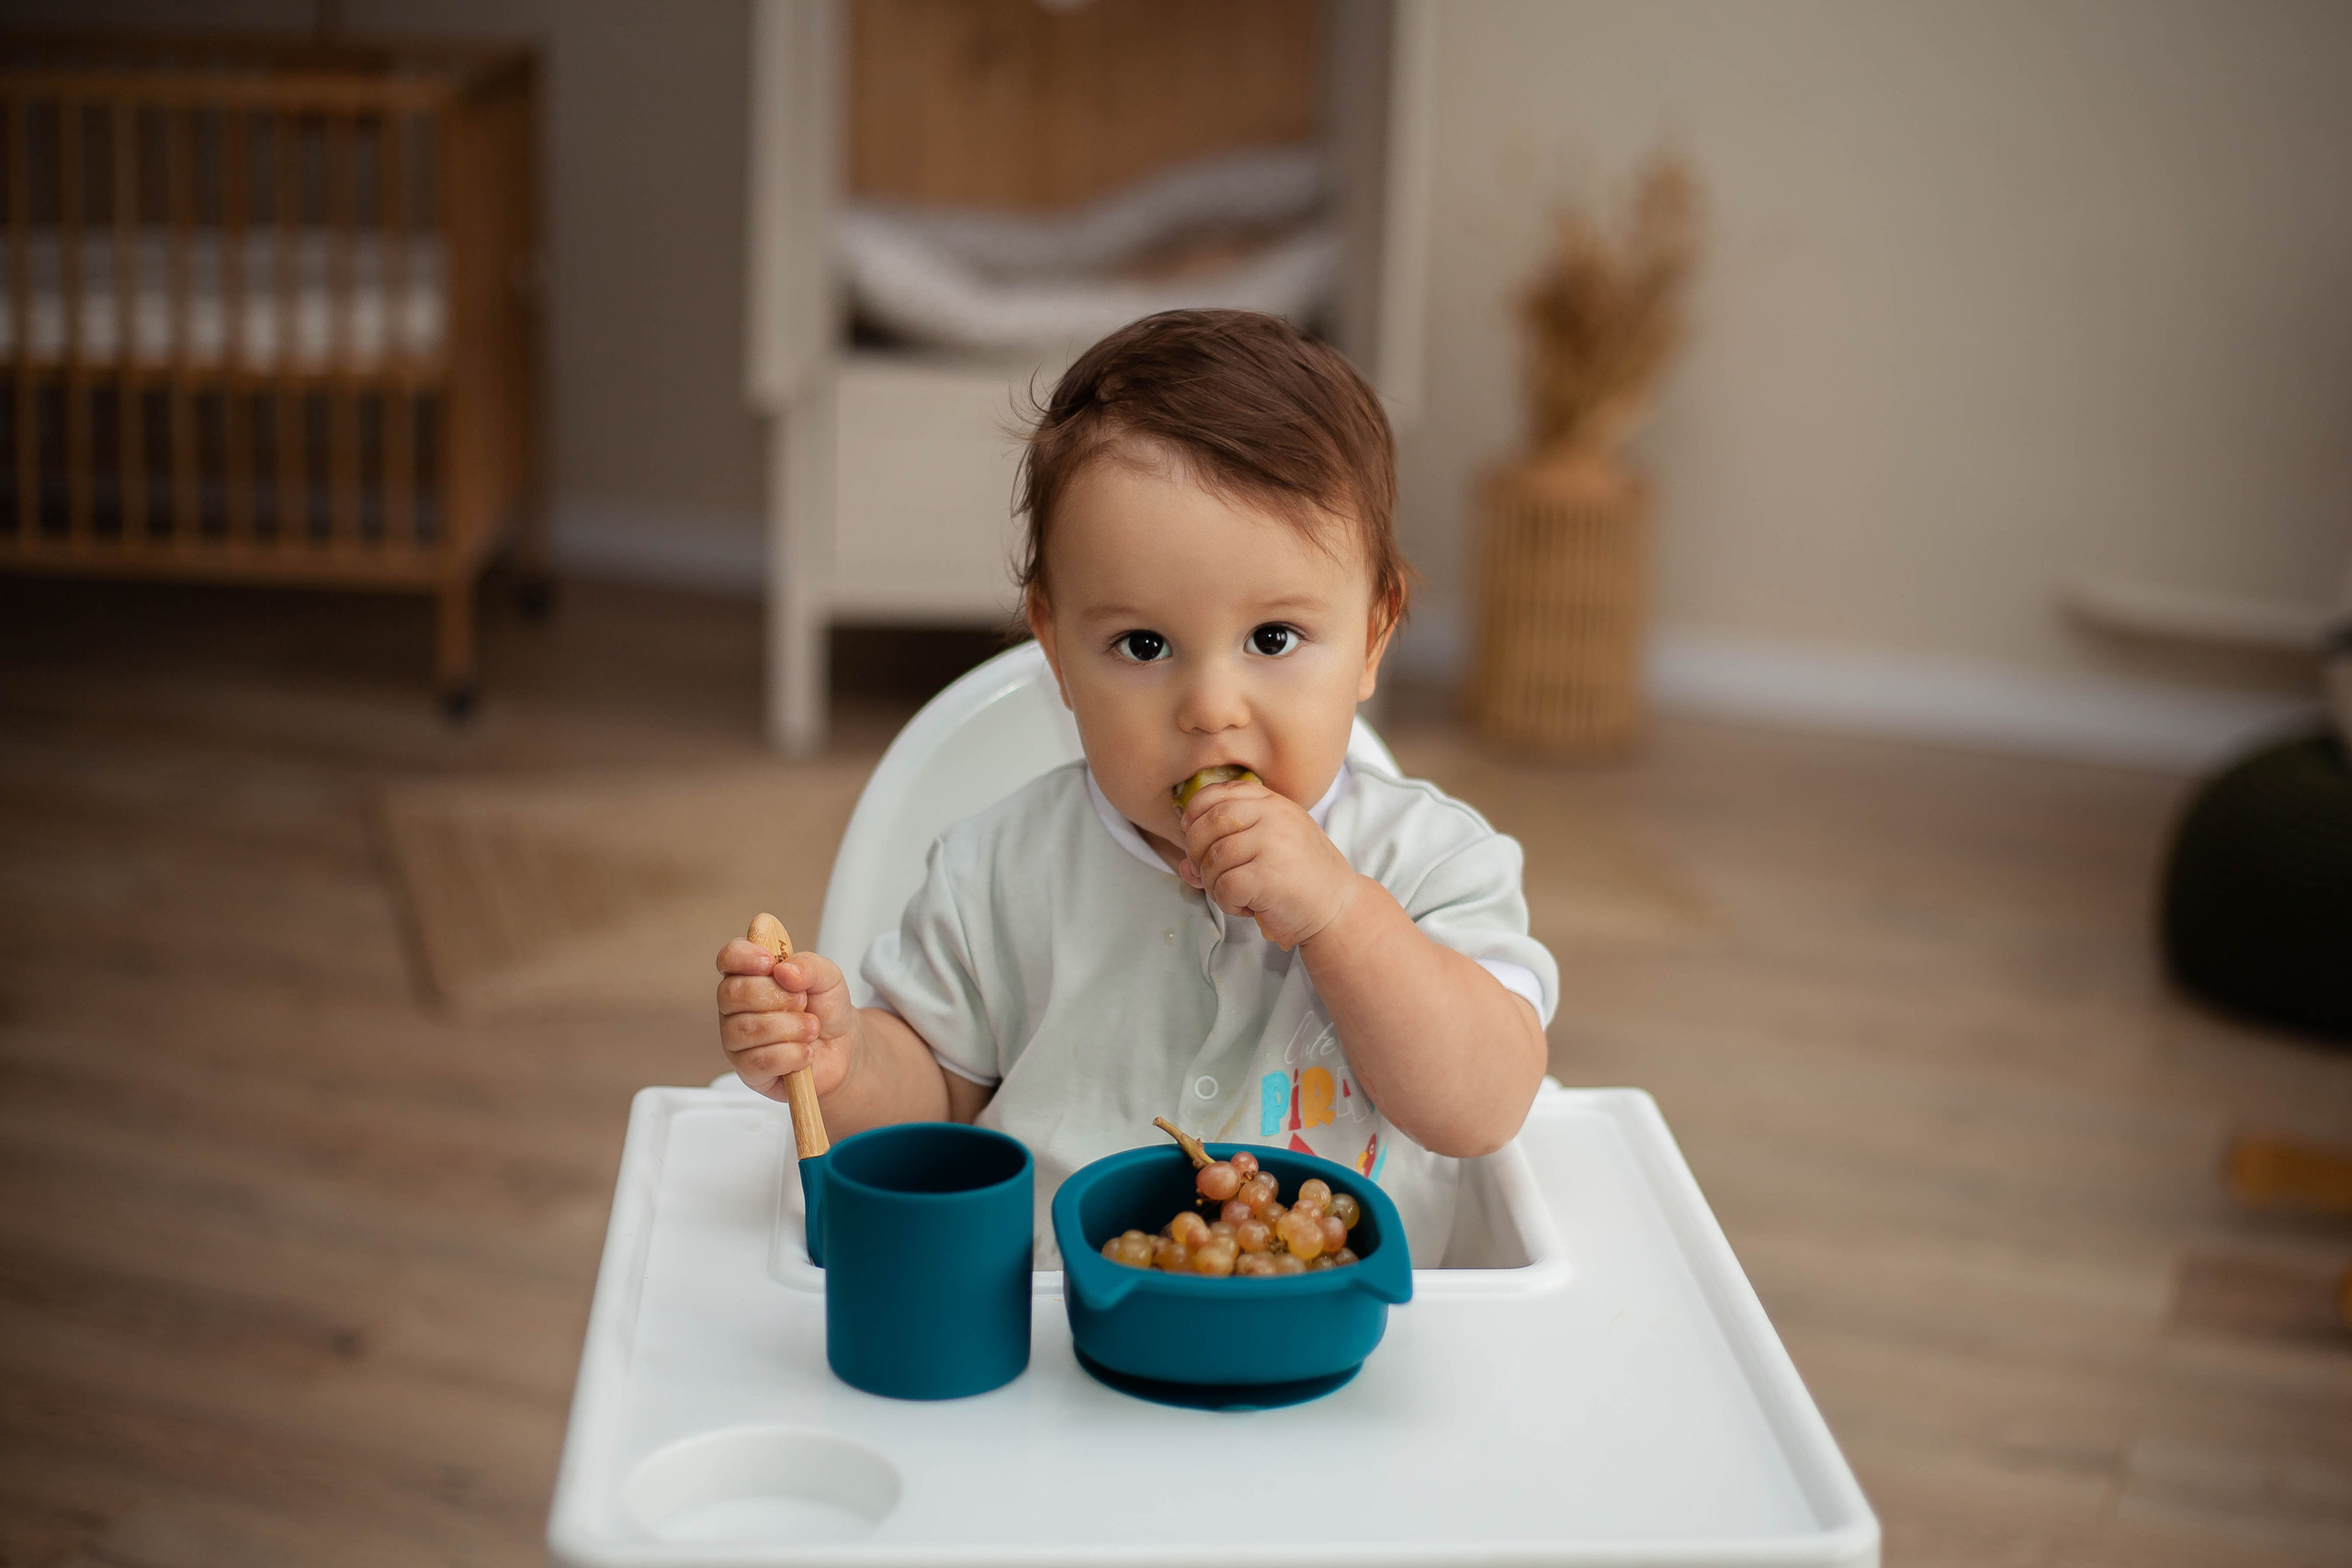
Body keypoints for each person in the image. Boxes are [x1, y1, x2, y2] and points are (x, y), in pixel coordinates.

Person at [715, 310, 1557, 1265]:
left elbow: (1482, 1107)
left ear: (1372, 635)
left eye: (1273, 638)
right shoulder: (997, 871)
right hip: (1053, 1319)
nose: (1211, 708)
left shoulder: (1433, 862)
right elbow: (936, 1104)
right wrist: (843, 1064)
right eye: (1144, 644)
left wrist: (1339, 913)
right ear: (1057, 652)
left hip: (1337, 1325)